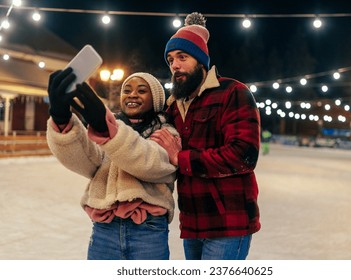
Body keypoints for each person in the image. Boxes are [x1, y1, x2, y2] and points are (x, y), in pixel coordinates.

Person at [150, 12, 261, 260]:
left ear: (201, 60)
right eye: (170, 60)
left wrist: (182, 159)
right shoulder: (173, 107)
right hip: (192, 222)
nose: (175, 65)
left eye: (182, 57)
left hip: (229, 223)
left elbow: (244, 154)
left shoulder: (234, 93)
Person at [46, 69, 181, 260]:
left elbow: (152, 164)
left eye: (142, 90)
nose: (132, 94)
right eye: (127, 90)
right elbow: (86, 160)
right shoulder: (107, 130)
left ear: (156, 100)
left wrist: (107, 129)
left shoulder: (166, 132)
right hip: (104, 229)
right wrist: (61, 119)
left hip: (147, 231)